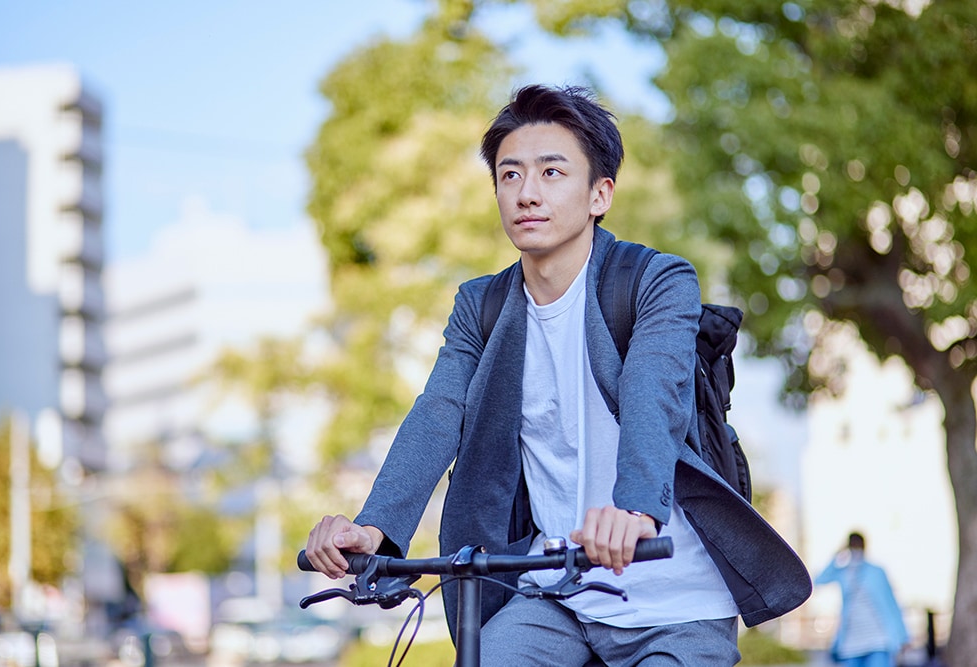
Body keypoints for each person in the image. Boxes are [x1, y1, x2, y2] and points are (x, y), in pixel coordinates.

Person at [305, 84, 811, 665]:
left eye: (552, 172)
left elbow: (654, 392)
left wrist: (636, 510)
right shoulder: (482, 306)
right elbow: (440, 410)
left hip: (673, 595)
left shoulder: (655, 281)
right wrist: (375, 529)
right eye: (510, 175)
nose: (527, 193)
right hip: (558, 595)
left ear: (600, 194)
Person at [816, 532, 909, 667]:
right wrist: (837, 555)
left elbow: (891, 604)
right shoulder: (843, 572)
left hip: (878, 640)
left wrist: (903, 636)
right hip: (851, 642)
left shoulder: (876, 571)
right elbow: (820, 580)